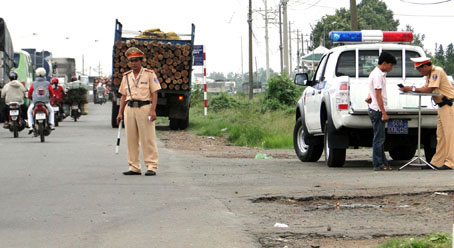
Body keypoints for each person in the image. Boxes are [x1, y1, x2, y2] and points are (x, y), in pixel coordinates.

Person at [400, 57, 454, 170]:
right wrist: (410, 89)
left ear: (425, 66)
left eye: (420, 70)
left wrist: (412, 88)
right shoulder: (429, 75)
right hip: (442, 107)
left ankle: (451, 162)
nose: (420, 73)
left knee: (450, 136)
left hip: (448, 105)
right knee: (441, 136)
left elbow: (430, 89)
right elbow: (425, 87)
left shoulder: (437, 71)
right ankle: (437, 162)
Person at [116, 47, 161, 176]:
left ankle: (151, 165)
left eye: (136, 60)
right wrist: (120, 113)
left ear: (141, 61)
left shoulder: (149, 74)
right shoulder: (126, 76)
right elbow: (123, 95)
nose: (133, 63)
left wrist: (153, 111)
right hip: (129, 109)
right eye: (131, 61)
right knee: (131, 139)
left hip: (144, 108)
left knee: (148, 138)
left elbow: (154, 92)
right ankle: (134, 166)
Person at [365, 52, 397, 171]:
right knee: (379, 138)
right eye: (390, 65)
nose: (391, 68)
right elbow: (378, 95)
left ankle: (383, 162)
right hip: (377, 109)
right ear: (384, 63)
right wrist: (383, 112)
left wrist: (369, 96)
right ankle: (378, 164)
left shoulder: (378, 74)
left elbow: (373, 91)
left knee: (380, 138)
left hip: (375, 107)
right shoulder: (378, 75)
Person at [27, 67, 55, 133]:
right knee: (51, 111)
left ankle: (31, 125)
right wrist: (51, 97)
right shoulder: (48, 83)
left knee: (29, 111)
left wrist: (29, 97)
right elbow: (51, 93)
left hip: (35, 102)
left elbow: (30, 93)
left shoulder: (33, 83)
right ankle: (51, 124)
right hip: (45, 102)